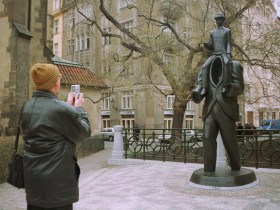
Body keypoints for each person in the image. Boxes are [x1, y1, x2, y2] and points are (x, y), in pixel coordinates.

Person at [21, 63, 92, 210]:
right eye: (59, 78)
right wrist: (79, 109)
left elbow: (46, 130)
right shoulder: (61, 109)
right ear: (54, 83)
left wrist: (67, 108)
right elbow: (84, 133)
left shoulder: (26, 107)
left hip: (33, 184)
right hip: (57, 189)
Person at [192, 46, 244, 172]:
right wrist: (197, 92)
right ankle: (209, 170)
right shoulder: (204, 67)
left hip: (226, 110)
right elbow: (200, 86)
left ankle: (236, 167)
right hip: (210, 109)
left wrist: (230, 88)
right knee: (207, 137)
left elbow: (240, 86)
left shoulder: (234, 65)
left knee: (230, 141)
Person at [200, 13, 232, 95]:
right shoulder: (212, 32)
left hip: (223, 53)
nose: (218, 21)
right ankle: (204, 88)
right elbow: (211, 46)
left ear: (223, 20)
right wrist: (207, 45)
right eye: (217, 19)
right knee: (204, 66)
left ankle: (225, 85)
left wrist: (228, 53)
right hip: (214, 54)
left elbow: (229, 42)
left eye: (220, 19)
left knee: (226, 63)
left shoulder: (227, 31)